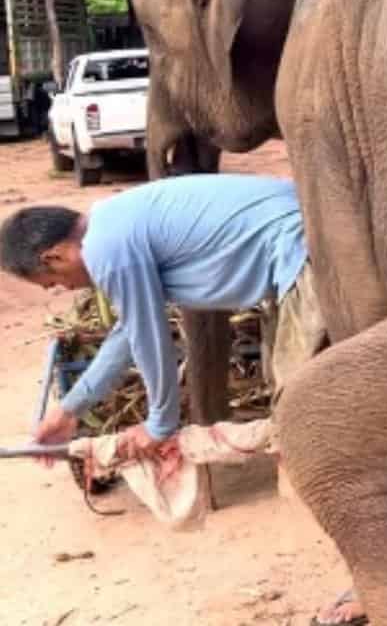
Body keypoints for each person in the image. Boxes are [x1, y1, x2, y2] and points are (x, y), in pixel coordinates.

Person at [0, 174, 365, 626]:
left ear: (54, 256)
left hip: (307, 259)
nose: (67, 289)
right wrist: (69, 410)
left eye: (53, 283)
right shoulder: (114, 221)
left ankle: (377, 575)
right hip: (309, 249)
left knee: (309, 434)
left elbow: (151, 339)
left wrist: (159, 425)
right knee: (307, 427)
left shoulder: (107, 248)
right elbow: (129, 334)